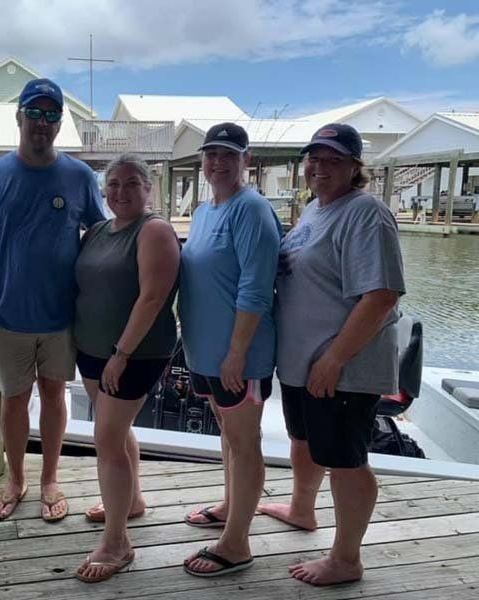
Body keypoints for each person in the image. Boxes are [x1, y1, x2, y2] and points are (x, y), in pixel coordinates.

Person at [258, 123, 405, 586]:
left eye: (333, 159)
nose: (319, 167)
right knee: (304, 441)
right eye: (313, 158)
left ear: (354, 167)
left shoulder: (366, 213)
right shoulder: (315, 211)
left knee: (344, 459)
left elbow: (382, 295)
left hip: (341, 367)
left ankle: (346, 559)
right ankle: (303, 510)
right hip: (304, 362)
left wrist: (335, 358)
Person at [0, 78, 105, 523]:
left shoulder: (80, 177)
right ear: (19, 117)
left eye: (51, 115)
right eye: (34, 113)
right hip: (7, 319)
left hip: (61, 318)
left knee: (54, 397)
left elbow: (101, 240)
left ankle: (49, 480)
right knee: (13, 400)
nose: (41, 122)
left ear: (59, 123)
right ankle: (16, 479)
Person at [179, 122, 282, 577]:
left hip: (239, 356)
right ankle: (229, 505)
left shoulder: (252, 210)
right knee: (226, 435)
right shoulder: (204, 211)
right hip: (206, 353)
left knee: (245, 444)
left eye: (228, 154)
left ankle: (237, 542)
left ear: (246, 161)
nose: (217, 162)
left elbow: (256, 289)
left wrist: (237, 353)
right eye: (211, 154)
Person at [72, 154, 180, 583]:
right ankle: (131, 501)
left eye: (131, 183)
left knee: (106, 440)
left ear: (148, 188)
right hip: (92, 351)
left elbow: (153, 298)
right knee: (116, 432)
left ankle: (117, 542)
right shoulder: (97, 230)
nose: (120, 191)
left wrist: (121, 353)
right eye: (113, 184)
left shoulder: (153, 230)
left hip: (133, 354)